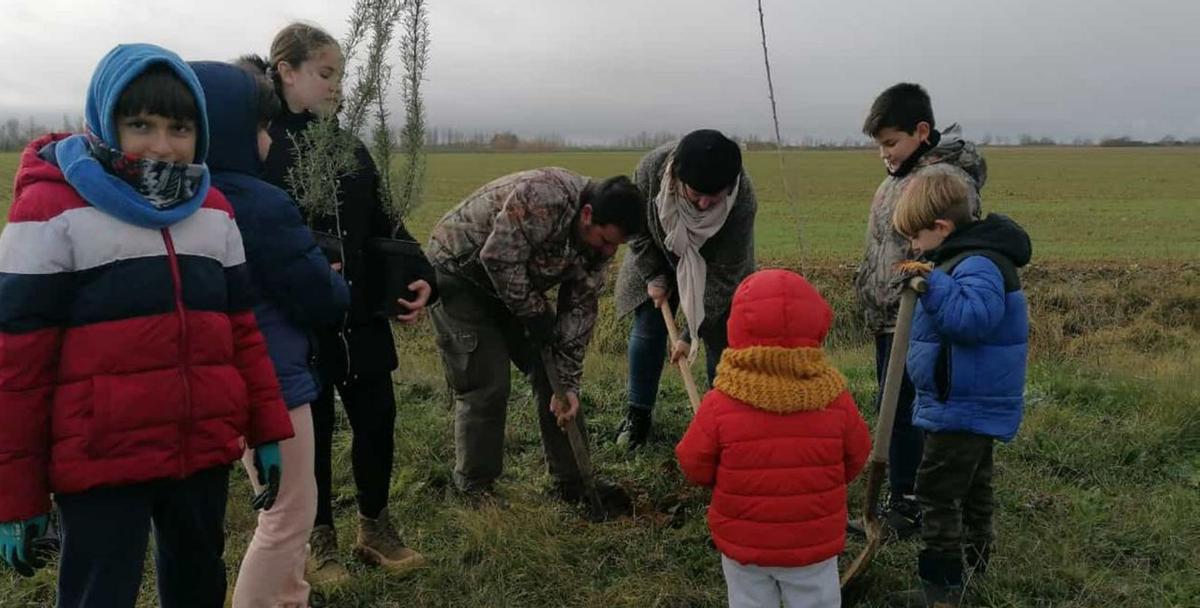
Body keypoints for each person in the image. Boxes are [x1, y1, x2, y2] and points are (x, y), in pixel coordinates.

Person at [0, 44, 294, 607]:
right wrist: (17, 495)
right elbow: (19, 366)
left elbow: (242, 334)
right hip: (101, 459)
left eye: (179, 127)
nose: (162, 145)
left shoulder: (213, 210)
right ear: (106, 120)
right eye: (141, 124)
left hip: (200, 450)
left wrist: (266, 429)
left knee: (198, 584)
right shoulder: (51, 210)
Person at [248, 21, 437, 584]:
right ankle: (318, 537)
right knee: (317, 430)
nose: (337, 86)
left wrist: (422, 272)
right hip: (303, 323)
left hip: (362, 316)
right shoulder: (264, 146)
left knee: (378, 419)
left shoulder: (348, 144)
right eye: (325, 73)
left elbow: (384, 219)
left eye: (340, 74)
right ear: (286, 71)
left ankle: (375, 528)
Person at [191, 60, 351, 608]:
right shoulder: (257, 202)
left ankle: (291, 599)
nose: (267, 140)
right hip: (273, 381)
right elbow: (317, 296)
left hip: (215, 381)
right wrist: (336, 283)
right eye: (260, 128)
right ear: (232, 129)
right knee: (288, 516)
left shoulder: (185, 198)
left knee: (276, 502)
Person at [426, 168, 644, 505]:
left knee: (551, 373)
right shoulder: (546, 195)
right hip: (461, 275)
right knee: (487, 382)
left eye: (617, 245)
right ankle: (473, 488)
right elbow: (497, 258)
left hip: (515, 285)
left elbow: (580, 311)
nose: (608, 252)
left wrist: (567, 384)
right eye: (605, 241)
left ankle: (573, 481)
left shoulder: (599, 247)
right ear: (587, 215)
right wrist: (534, 311)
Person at [676, 269, 870, 608]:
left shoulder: (722, 400)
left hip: (744, 541)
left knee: (749, 600)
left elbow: (693, 464)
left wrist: (725, 480)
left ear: (737, 326)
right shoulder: (833, 395)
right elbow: (856, 455)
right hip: (814, 541)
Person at [889, 171, 1031, 607]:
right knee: (971, 487)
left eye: (916, 236)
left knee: (936, 491)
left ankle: (943, 587)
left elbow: (971, 320)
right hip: (964, 401)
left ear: (942, 229)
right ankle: (975, 570)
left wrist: (932, 283)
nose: (913, 247)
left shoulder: (978, 264)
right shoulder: (969, 258)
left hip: (963, 403)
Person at [852, 83, 987, 537]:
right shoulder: (901, 175)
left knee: (909, 408)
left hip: (916, 318)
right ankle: (901, 494)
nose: (884, 154)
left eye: (891, 142)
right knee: (890, 404)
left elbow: (952, 253)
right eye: (880, 146)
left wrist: (919, 289)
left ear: (922, 130)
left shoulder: (944, 181)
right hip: (886, 314)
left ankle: (911, 502)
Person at [612, 129, 757, 449]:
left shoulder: (742, 198)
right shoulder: (651, 169)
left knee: (721, 335)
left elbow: (728, 272)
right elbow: (635, 227)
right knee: (648, 328)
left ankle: (722, 419)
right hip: (656, 252)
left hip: (713, 269)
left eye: (714, 196)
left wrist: (690, 335)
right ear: (677, 176)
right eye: (697, 194)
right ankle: (638, 415)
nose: (705, 203)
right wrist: (653, 274)